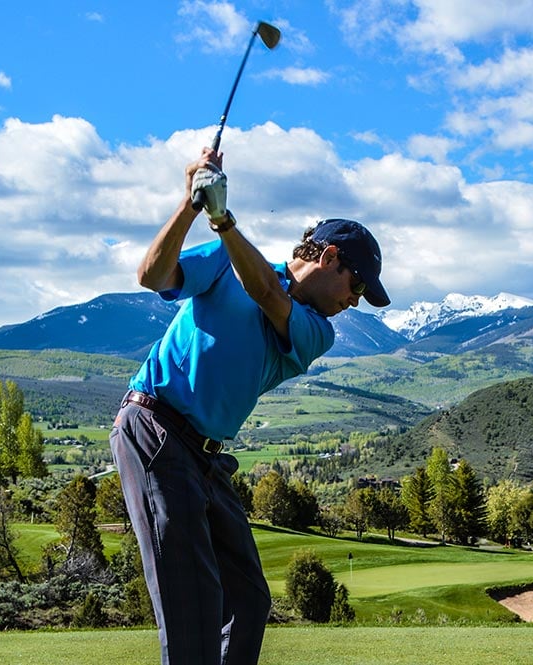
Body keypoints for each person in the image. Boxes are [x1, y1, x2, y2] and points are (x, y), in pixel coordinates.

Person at [109, 147, 389, 665]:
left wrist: (222, 219)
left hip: (206, 456)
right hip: (154, 428)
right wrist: (192, 204)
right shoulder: (225, 257)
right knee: (192, 601)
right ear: (329, 258)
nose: (355, 301)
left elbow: (265, 292)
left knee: (247, 598)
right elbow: (151, 275)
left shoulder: (317, 330)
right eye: (357, 286)